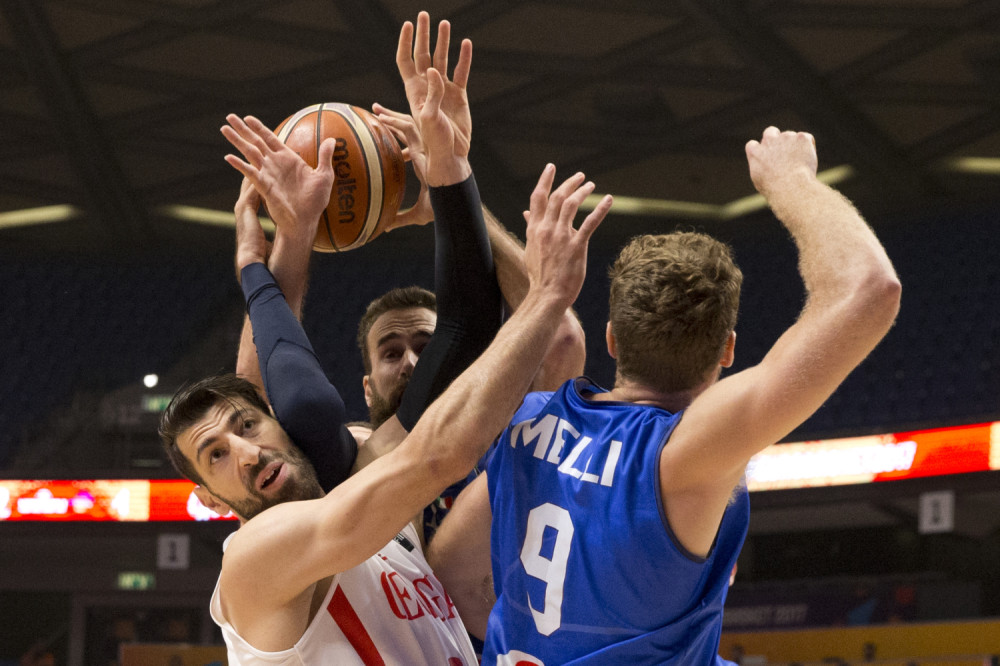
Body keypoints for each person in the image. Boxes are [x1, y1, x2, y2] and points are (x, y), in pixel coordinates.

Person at [158, 12, 614, 664]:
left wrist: (448, 175)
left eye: (247, 428)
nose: (246, 451)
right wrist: (543, 295)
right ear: (207, 498)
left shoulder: (368, 490)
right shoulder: (259, 558)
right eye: (215, 456)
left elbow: (466, 330)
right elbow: (431, 454)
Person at [427, 127, 902, 664]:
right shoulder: (686, 452)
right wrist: (792, 182)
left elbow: (453, 574)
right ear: (727, 349)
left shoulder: (530, 418)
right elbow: (870, 289)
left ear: (612, 338)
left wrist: (450, 190)